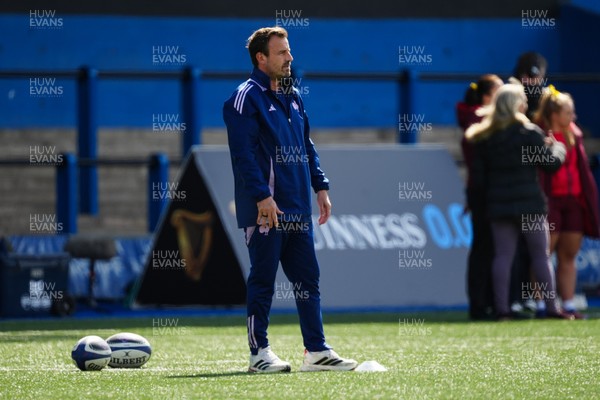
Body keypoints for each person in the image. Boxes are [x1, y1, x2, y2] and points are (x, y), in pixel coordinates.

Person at [223, 27, 357, 373]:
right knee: (263, 280)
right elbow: (243, 156)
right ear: (261, 58)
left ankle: (316, 351)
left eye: (289, 51)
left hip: (297, 207)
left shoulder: (293, 96)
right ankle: (259, 354)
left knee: (307, 280)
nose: (290, 58)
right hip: (267, 210)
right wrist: (262, 197)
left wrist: (320, 186)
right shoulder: (243, 98)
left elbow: (306, 145)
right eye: (282, 53)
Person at [466, 83, 572, 320]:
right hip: (529, 205)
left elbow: (479, 180)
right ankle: (552, 308)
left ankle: (502, 309)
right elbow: (551, 164)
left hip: (499, 206)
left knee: (503, 256)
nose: (526, 104)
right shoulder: (528, 133)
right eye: (523, 101)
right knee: (541, 256)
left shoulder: (485, 137)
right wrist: (558, 148)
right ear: (517, 105)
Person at [534, 85, 600, 319]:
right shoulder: (539, 134)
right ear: (554, 114)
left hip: (573, 201)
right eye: (569, 112)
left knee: (568, 255)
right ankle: (540, 304)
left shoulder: (576, 135)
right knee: (543, 253)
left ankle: (569, 304)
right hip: (549, 201)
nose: (573, 117)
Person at [456, 74, 503, 320]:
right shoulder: (480, 120)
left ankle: (487, 303)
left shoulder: (475, 119)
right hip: (484, 189)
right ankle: (482, 304)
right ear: (487, 97)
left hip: (482, 189)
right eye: (499, 92)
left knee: (489, 247)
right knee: (486, 247)